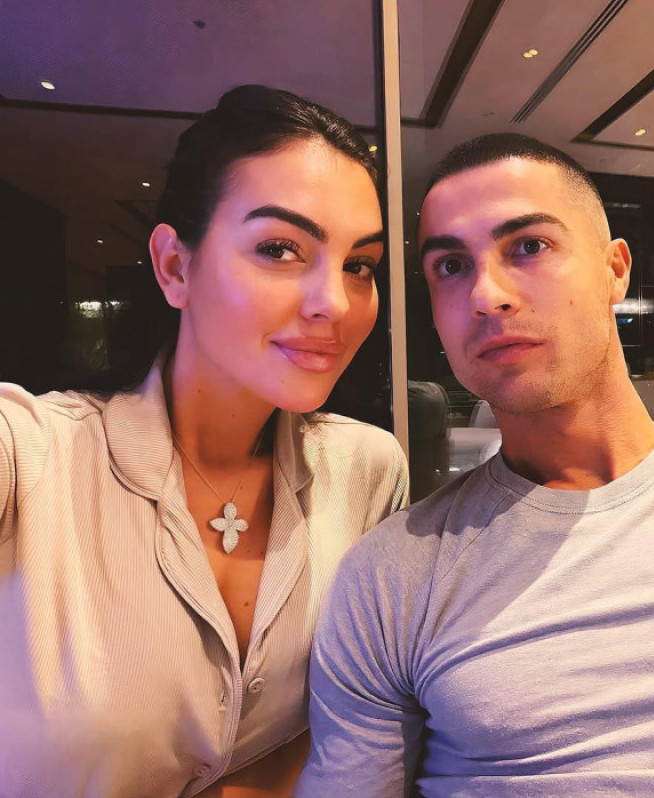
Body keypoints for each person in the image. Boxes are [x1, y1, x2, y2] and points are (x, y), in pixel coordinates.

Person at [296, 133, 654, 797]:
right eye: (451, 266)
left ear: (615, 269)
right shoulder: (392, 575)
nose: (487, 294)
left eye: (528, 246)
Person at [0, 85, 408, 798]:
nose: (334, 302)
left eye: (359, 265)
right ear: (175, 266)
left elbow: (354, 720)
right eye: (281, 249)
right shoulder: (31, 454)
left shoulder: (366, 470)